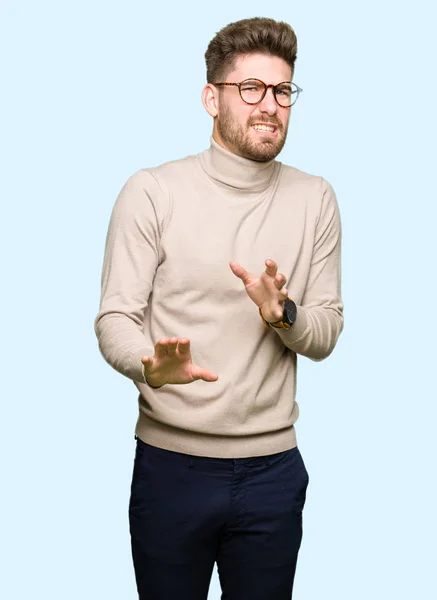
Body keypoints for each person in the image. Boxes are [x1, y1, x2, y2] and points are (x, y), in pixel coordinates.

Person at [94, 16, 343, 600]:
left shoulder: (316, 198)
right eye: (250, 88)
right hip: (171, 467)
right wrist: (148, 364)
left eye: (282, 91)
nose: (269, 106)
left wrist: (283, 314)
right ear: (212, 98)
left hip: (273, 473)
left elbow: (327, 331)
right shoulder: (152, 191)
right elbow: (114, 318)